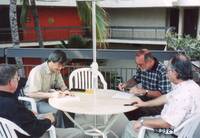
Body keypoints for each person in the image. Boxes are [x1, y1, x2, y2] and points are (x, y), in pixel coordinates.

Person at [122, 54, 200, 138]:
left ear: (174, 72)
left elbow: (166, 123)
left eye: (168, 70)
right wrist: (143, 104)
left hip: (171, 133)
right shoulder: (190, 85)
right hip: (178, 127)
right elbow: (166, 97)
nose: (166, 73)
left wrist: (142, 122)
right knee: (140, 118)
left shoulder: (182, 95)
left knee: (131, 126)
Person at [0, 64, 84, 138]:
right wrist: (48, 119)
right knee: (79, 133)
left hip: (10, 132)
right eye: (17, 78)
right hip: (30, 134)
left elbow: (17, 117)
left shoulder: (8, 101)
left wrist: (29, 113)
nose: (19, 79)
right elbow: (35, 130)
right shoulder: (11, 105)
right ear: (11, 82)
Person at [24, 50, 74, 128]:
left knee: (68, 106)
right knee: (58, 110)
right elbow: (31, 93)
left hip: (47, 99)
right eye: (59, 65)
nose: (61, 68)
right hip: (34, 102)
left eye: (62, 65)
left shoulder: (56, 70)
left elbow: (62, 86)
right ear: (51, 61)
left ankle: (70, 130)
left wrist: (66, 91)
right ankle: (61, 132)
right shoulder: (38, 71)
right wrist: (52, 95)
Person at [118, 49, 172, 120]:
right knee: (127, 104)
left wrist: (143, 91)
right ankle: (135, 125)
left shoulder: (162, 70)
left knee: (137, 109)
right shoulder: (142, 67)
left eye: (140, 64)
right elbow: (136, 79)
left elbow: (164, 94)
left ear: (149, 61)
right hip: (146, 98)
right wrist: (125, 84)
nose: (139, 67)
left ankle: (140, 126)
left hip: (160, 103)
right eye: (137, 64)